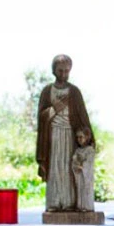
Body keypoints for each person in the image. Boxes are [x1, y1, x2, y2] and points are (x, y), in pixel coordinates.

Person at [36, 54, 95, 212]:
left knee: (69, 168)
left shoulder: (74, 92)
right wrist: (55, 108)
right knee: (55, 168)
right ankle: (55, 203)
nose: (63, 74)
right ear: (54, 71)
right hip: (53, 136)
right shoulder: (47, 91)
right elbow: (42, 117)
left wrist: (88, 138)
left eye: (66, 71)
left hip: (70, 136)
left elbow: (82, 117)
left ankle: (69, 203)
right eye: (60, 70)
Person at [71, 127, 96, 212]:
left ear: (87, 137)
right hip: (79, 175)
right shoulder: (78, 150)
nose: (79, 139)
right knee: (79, 190)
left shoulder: (90, 150)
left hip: (86, 176)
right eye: (78, 137)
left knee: (86, 190)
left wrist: (83, 167)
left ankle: (87, 207)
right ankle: (80, 207)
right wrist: (75, 164)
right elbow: (74, 162)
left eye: (81, 137)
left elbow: (89, 163)